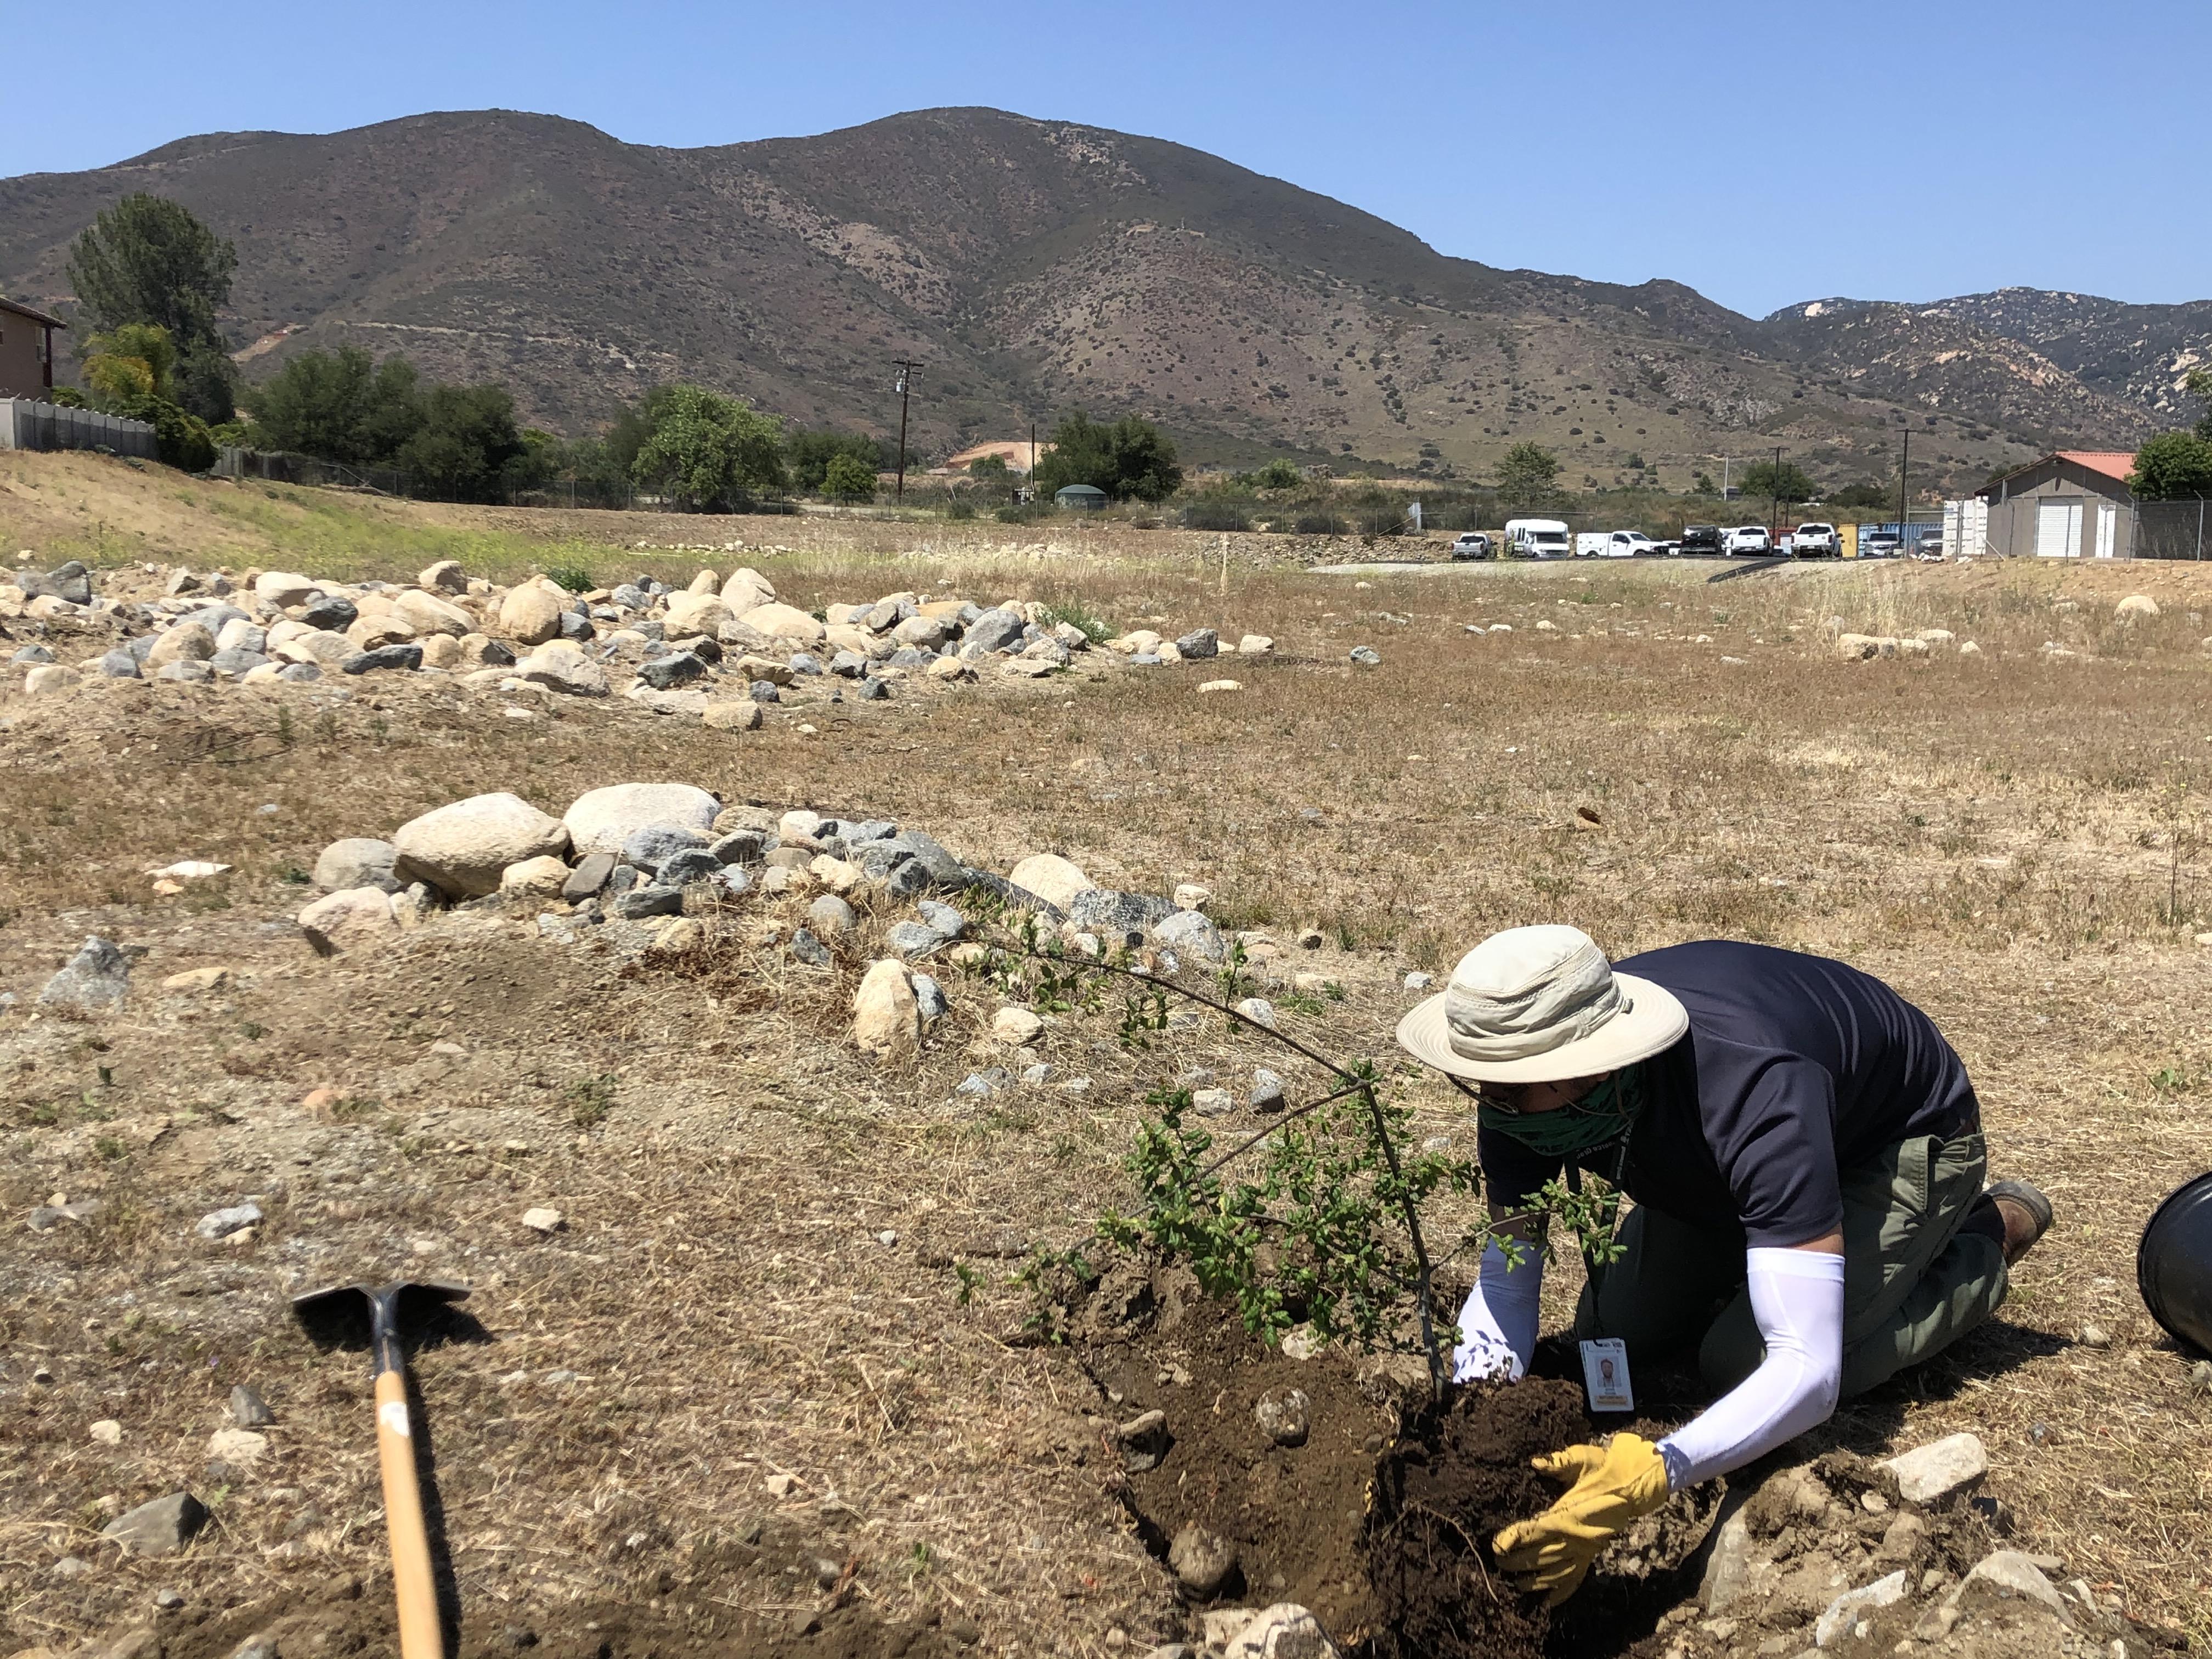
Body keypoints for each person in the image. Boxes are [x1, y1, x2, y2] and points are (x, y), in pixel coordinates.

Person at [1395, 926, 2052, 1606]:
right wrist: (1470, 1428)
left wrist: (1658, 1470)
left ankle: (1984, 1239)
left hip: (1893, 1144)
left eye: (1515, 1093)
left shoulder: (1754, 1085)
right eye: (1486, 1088)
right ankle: (1775, 1251)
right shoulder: (1517, 1086)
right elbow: (1507, 1281)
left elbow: (1808, 1371)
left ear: (1593, 1065)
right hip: (1721, 1174)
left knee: (1742, 1362)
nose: (1496, 1109)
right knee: (1609, 1332)